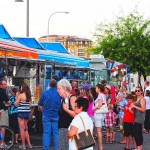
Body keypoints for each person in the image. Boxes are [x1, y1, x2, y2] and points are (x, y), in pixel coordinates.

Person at [38, 79, 61, 150]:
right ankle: (56, 148)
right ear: (56, 85)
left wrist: (43, 111)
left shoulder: (44, 93)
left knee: (46, 133)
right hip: (55, 115)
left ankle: (45, 148)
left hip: (46, 115)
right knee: (56, 133)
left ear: (49, 85)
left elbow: (40, 105)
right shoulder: (59, 94)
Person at [57, 79, 76, 150]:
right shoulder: (63, 99)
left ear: (64, 89)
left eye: (59, 89)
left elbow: (75, 114)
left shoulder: (72, 98)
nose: (58, 90)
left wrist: (66, 109)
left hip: (69, 129)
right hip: (62, 128)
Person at [14, 83, 32, 150]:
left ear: (23, 88)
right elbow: (30, 106)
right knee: (25, 129)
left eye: (21, 87)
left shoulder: (20, 95)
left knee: (21, 129)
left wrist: (16, 96)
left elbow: (15, 104)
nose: (20, 88)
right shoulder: (29, 96)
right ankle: (29, 144)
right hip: (27, 113)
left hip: (21, 113)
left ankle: (23, 145)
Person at [93, 83, 107, 150]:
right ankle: (100, 146)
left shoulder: (100, 96)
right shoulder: (103, 95)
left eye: (96, 88)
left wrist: (93, 110)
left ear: (98, 88)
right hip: (101, 114)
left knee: (98, 131)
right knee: (99, 130)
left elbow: (99, 105)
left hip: (98, 114)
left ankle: (100, 146)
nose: (95, 89)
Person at [0, 78, 11, 148]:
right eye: (4, 84)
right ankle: (2, 143)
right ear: (0, 85)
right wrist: (7, 104)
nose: (5, 86)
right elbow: (8, 102)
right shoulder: (2, 92)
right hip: (2, 111)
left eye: (6, 84)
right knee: (3, 127)